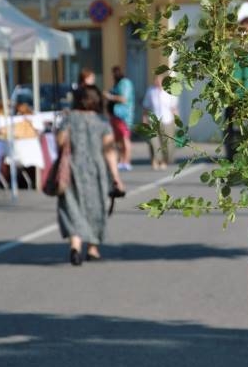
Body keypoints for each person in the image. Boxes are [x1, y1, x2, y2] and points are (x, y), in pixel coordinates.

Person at [56, 85, 125, 265]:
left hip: (72, 169)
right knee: (97, 208)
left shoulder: (69, 119)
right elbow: (110, 151)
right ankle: (93, 249)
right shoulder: (102, 122)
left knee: (72, 207)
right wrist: (116, 177)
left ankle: (75, 246)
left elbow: (60, 142)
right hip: (96, 170)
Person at [142, 73, 179, 170]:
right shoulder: (150, 91)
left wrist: (177, 121)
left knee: (166, 143)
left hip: (167, 120)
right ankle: (155, 160)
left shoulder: (169, 91)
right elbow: (146, 107)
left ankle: (164, 160)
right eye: (155, 80)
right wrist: (144, 119)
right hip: (153, 120)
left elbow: (174, 108)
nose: (156, 82)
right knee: (153, 142)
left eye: (159, 80)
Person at [104, 66, 135, 171]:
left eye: (113, 73)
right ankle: (122, 160)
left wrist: (109, 96)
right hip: (116, 115)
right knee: (119, 140)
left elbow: (123, 99)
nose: (112, 75)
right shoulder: (118, 83)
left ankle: (126, 161)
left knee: (124, 138)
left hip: (123, 115)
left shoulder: (124, 83)